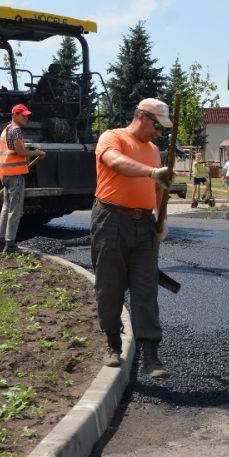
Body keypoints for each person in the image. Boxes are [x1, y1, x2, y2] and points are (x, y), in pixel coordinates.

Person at [91, 98, 175, 373]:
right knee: (110, 286)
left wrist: (160, 219)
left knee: (145, 289)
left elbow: (158, 188)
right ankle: (113, 343)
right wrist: (152, 172)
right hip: (111, 221)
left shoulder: (154, 151)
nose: (159, 133)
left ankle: (151, 356)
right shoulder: (112, 138)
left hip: (144, 227)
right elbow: (115, 163)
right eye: (157, 126)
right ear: (141, 116)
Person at [0, 104, 45, 254]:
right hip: (15, 175)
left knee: (6, 208)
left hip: (5, 174)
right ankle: (10, 245)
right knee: (15, 210)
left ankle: (0, 242)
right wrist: (38, 153)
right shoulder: (16, 130)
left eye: (26, 115)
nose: (26, 117)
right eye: (23, 115)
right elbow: (20, 151)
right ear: (15, 115)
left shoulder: (6, 130)